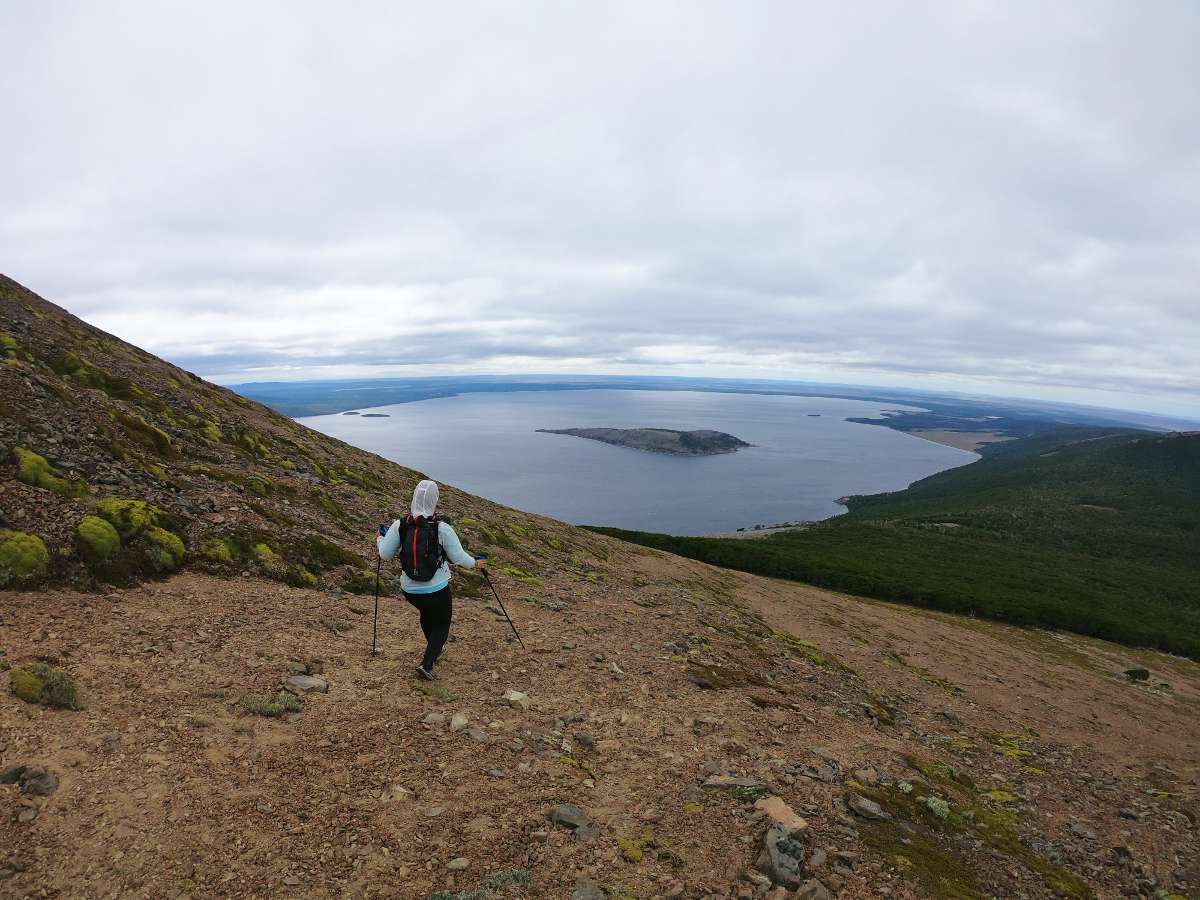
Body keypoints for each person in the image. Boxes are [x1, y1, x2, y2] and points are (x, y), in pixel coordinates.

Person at [377, 479, 485, 680]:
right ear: (434, 500)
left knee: (426, 614)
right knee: (442, 623)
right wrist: (475, 564)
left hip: (410, 590)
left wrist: (380, 538)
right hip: (436, 589)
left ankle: (434, 649)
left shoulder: (400, 525)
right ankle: (427, 664)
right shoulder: (441, 528)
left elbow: (384, 554)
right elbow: (459, 558)